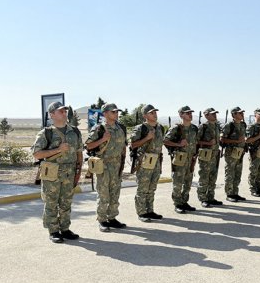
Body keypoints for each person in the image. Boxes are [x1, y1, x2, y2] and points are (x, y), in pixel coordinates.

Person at [32, 102, 83, 243]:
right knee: (51, 202)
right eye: (60, 111)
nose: (64, 113)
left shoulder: (75, 132)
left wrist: (79, 169)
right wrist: (58, 150)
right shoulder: (46, 133)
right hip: (52, 173)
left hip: (69, 172)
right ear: (52, 114)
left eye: (65, 111)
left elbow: (79, 152)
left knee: (66, 202)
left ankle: (65, 229)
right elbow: (37, 154)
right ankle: (53, 230)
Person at [85, 103, 127, 232]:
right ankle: (102, 220)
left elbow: (124, 146)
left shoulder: (121, 128)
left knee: (115, 193)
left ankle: (112, 218)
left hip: (117, 164)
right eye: (113, 112)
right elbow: (88, 146)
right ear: (105, 114)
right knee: (104, 194)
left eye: (116, 111)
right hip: (103, 165)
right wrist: (103, 139)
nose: (116, 113)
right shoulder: (99, 129)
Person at [130, 104, 165, 222]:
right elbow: (133, 145)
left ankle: (150, 210)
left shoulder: (160, 128)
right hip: (144, 162)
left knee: (152, 187)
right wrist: (147, 138)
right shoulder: (141, 128)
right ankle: (141, 212)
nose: (155, 114)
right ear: (145, 115)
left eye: (155, 112)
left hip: (156, 161)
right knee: (143, 188)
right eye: (151, 112)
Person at [164, 106, 199, 214]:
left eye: (191, 113)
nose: (190, 114)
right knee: (178, 183)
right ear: (181, 115)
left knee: (188, 182)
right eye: (187, 113)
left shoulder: (194, 128)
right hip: (180, 159)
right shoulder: (177, 128)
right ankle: (177, 204)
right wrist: (178, 144)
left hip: (190, 158)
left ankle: (184, 202)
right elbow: (165, 141)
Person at [196, 108, 224, 207]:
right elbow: (196, 141)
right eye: (213, 114)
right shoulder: (203, 127)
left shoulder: (216, 126)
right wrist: (208, 143)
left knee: (213, 177)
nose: (215, 115)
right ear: (206, 115)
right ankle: (203, 198)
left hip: (215, 155)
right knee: (204, 177)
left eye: (215, 113)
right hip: (205, 156)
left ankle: (210, 197)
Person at [221, 107, 247, 202]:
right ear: (234, 114)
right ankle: (229, 194)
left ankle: (235, 192)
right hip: (231, 153)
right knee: (230, 173)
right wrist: (236, 141)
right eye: (240, 113)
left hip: (240, 152)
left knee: (237, 173)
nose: (242, 114)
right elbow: (223, 140)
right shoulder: (229, 125)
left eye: (242, 113)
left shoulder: (243, 124)